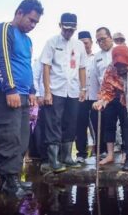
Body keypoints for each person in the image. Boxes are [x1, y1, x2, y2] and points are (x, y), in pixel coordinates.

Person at [0, 0, 44, 198]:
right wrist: (10, 89)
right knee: (8, 138)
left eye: (36, 23)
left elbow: (27, 66)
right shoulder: (4, 30)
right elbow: (1, 58)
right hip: (5, 94)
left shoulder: (28, 40)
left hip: (22, 95)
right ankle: (9, 182)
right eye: (31, 20)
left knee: (21, 139)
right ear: (19, 12)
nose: (33, 25)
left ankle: (12, 179)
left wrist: (31, 90)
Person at [41, 13, 87, 172]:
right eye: (66, 29)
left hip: (73, 90)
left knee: (71, 122)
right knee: (54, 123)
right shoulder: (51, 42)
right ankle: (53, 159)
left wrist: (83, 88)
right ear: (60, 25)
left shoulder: (79, 45)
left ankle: (67, 156)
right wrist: (47, 91)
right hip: (56, 89)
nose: (68, 32)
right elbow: (45, 66)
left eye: (72, 30)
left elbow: (82, 67)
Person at [92, 27, 119, 165]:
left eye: (103, 39)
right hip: (106, 96)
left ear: (110, 37)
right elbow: (96, 79)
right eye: (98, 41)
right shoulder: (97, 57)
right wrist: (99, 99)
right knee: (109, 124)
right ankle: (110, 154)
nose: (101, 42)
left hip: (121, 93)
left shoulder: (119, 51)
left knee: (126, 124)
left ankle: (127, 153)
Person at [75, 31, 99, 163]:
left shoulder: (97, 57)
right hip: (80, 96)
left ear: (91, 42)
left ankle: (100, 151)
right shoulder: (75, 58)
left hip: (96, 95)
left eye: (86, 43)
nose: (84, 46)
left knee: (97, 123)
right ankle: (81, 153)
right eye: (81, 43)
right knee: (80, 124)